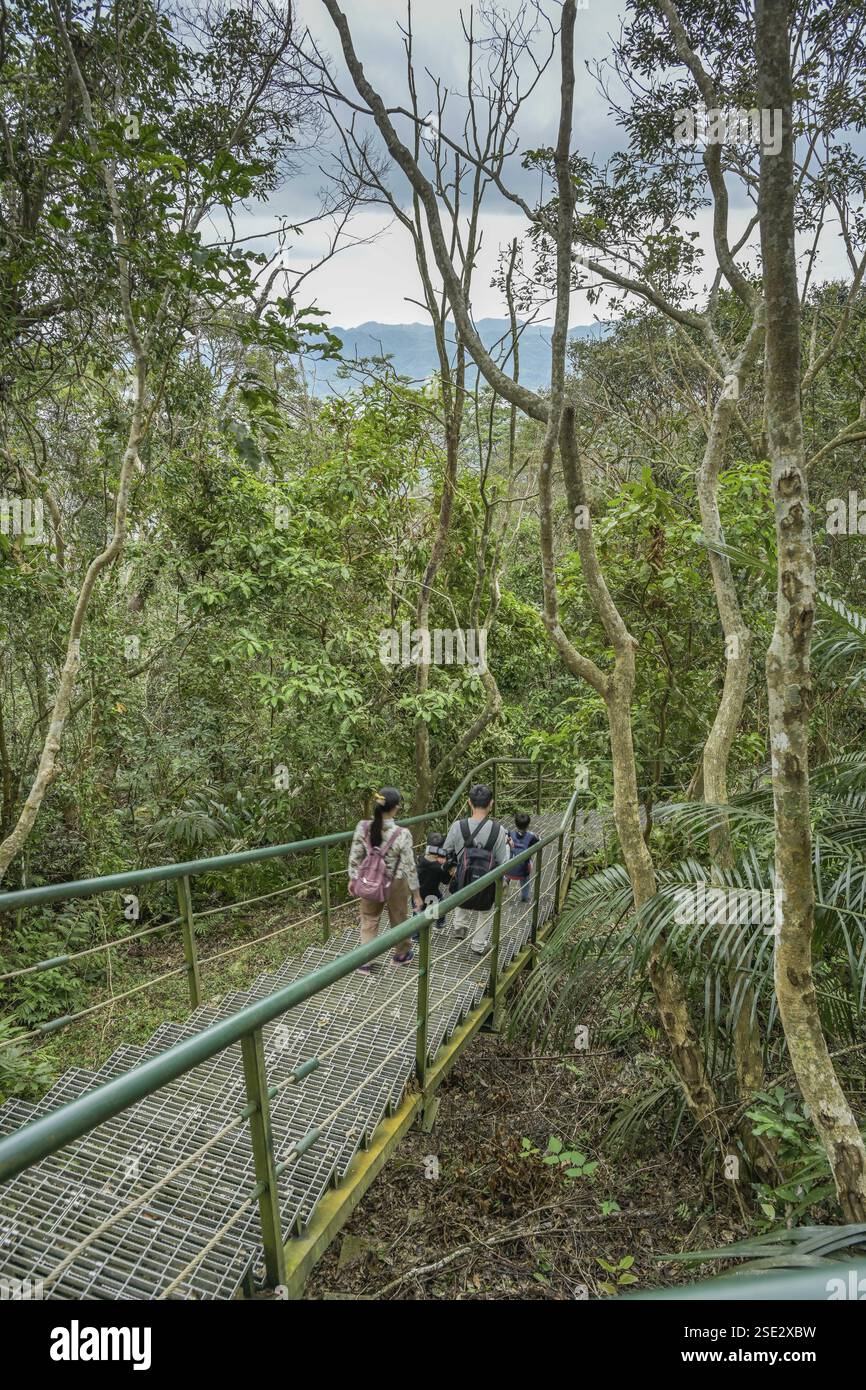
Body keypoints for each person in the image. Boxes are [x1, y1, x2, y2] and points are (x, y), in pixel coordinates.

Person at [348, 786, 423, 971]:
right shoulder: (402, 834)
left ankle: (365, 959)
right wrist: (416, 894)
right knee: (398, 919)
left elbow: (355, 856)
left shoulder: (362, 827)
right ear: (395, 808)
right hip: (395, 882)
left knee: (369, 919)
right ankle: (401, 954)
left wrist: (353, 878)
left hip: (369, 880)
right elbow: (409, 866)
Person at [442, 783, 510, 956]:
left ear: (469, 803)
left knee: (462, 881)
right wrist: (504, 883)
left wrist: (452, 870)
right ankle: (478, 944)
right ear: (491, 804)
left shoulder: (458, 826)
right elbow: (504, 861)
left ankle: (459, 926)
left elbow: (445, 852)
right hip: (486, 881)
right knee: (486, 910)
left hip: (462, 880)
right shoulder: (499, 830)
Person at [505, 812, 539, 904]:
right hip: (523, 871)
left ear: (515, 824)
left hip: (508, 869)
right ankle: (525, 897)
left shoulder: (510, 833)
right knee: (525, 877)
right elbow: (539, 842)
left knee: (508, 862)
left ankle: (504, 886)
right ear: (528, 825)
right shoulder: (531, 837)